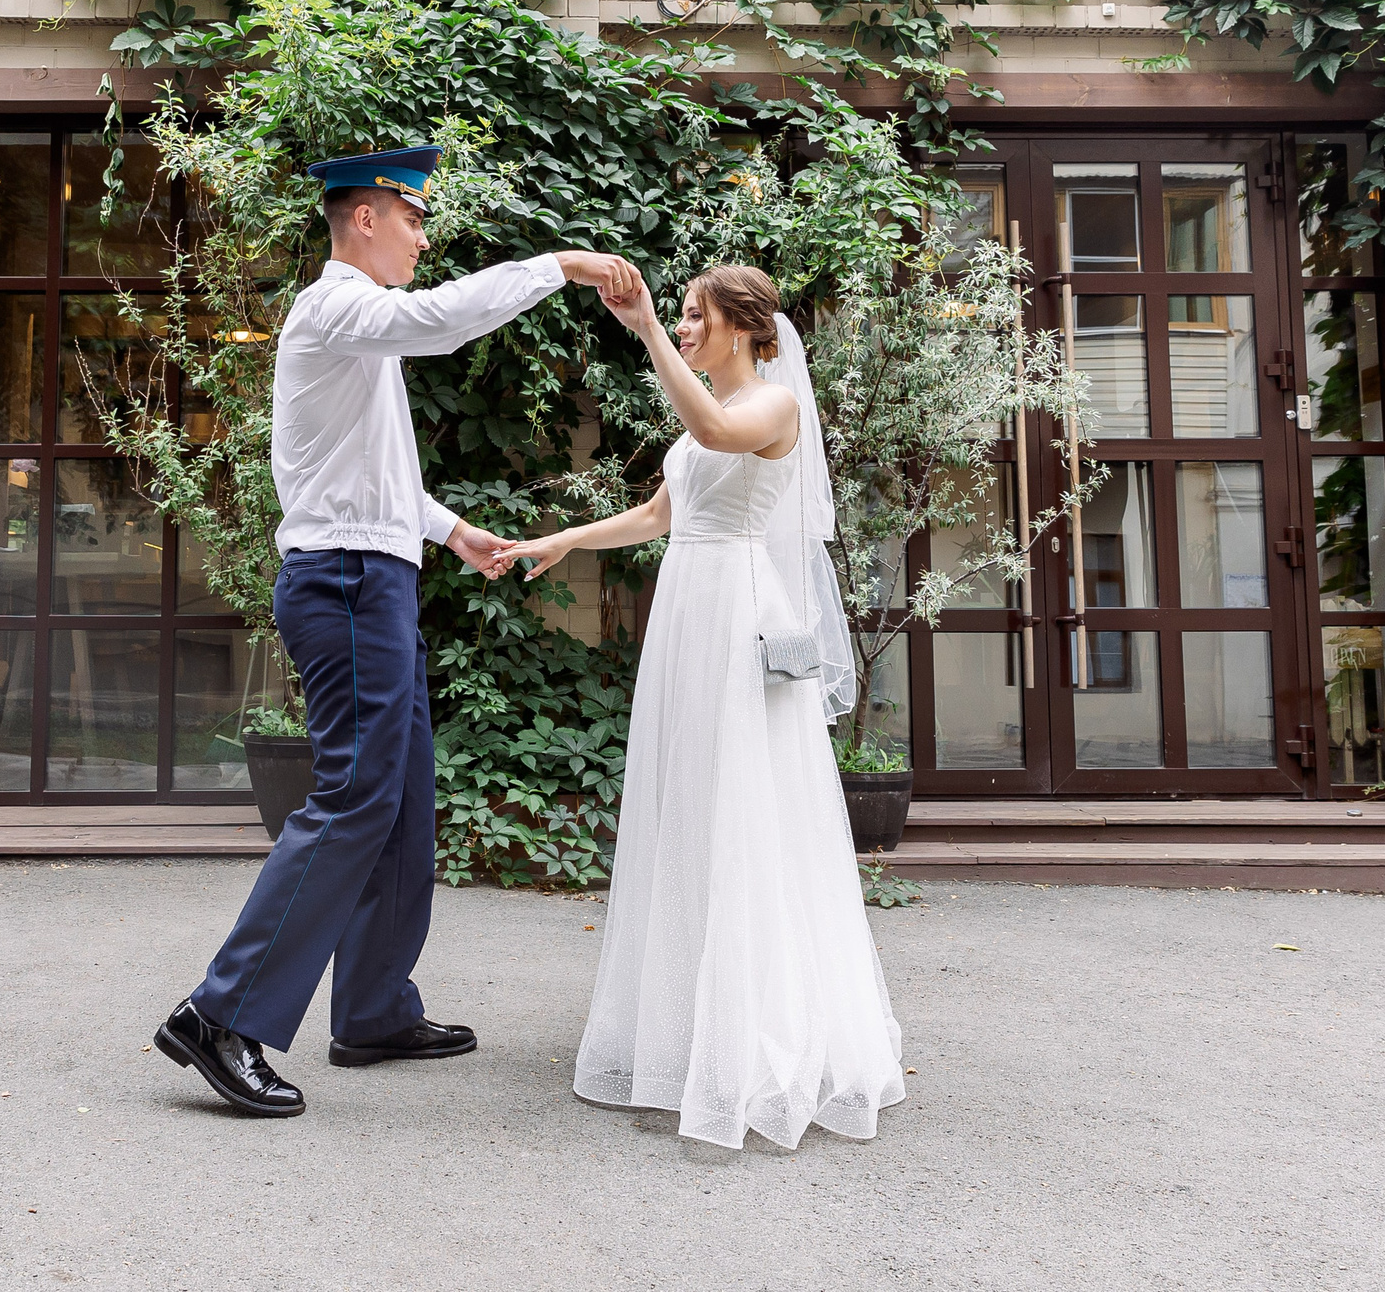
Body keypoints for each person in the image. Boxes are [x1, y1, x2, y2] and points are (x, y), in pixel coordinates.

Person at [156, 143, 646, 1119]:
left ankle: (374, 1009)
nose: (424, 237)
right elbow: (440, 323)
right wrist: (561, 265)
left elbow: (367, 472)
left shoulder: (356, 328)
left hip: (372, 579)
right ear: (366, 217)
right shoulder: (337, 306)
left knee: (403, 798)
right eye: (414, 219)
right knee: (354, 796)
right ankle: (220, 1014)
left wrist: (452, 531)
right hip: (343, 583)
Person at [502, 264, 906, 1150]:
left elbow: (715, 430)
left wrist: (645, 328)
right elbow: (659, 513)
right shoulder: (708, 413)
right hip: (688, 613)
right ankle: (693, 1027)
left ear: (747, 330)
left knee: (744, 809)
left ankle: (760, 1034)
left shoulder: (771, 406)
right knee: (688, 803)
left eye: (696, 316)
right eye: (679, 315)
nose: (684, 326)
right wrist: (563, 537)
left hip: (737, 613)